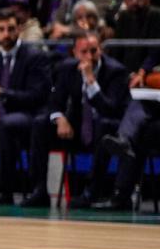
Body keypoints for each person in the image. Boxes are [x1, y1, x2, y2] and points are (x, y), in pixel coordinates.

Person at [22, 32, 129, 208]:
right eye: (84, 52)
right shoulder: (67, 68)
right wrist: (60, 118)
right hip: (77, 128)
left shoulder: (115, 71)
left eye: (94, 51)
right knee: (41, 123)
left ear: (101, 50)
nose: (89, 57)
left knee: (104, 126)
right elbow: (54, 102)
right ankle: (40, 190)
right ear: (74, 52)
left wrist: (91, 83)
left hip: (107, 129)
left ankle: (91, 192)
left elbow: (110, 109)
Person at [0, 10, 51, 203]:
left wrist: (3, 94)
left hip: (29, 114)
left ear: (20, 29)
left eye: (10, 29)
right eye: (1, 29)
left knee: (6, 125)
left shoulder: (35, 57)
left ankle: (3, 189)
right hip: (0, 117)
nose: (6, 34)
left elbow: (37, 96)